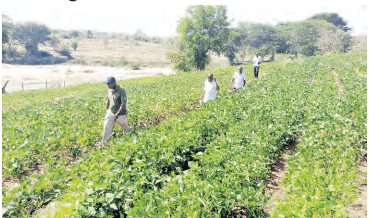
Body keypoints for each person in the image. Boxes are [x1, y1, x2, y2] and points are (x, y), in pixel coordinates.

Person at [102, 76, 131, 146]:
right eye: (107, 84)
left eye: (109, 84)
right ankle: (104, 145)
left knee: (125, 128)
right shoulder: (109, 89)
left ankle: (132, 140)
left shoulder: (121, 90)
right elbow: (108, 99)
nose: (108, 85)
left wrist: (118, 114)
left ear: (114, 83)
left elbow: (123, 104)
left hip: (120, 114)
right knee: (106, 127)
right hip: (111, 112)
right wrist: (107, 109)